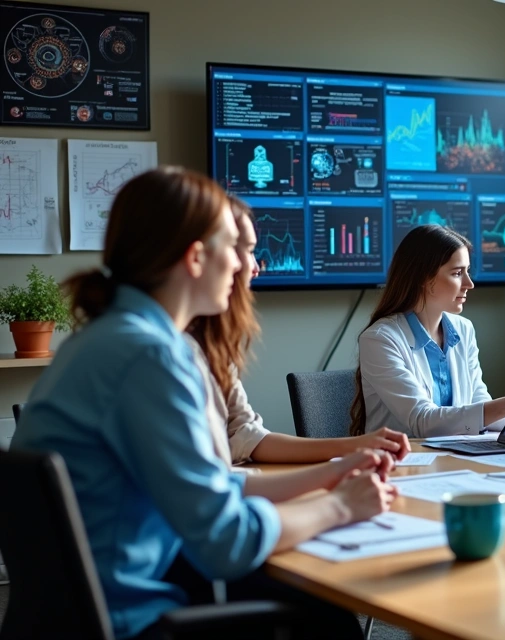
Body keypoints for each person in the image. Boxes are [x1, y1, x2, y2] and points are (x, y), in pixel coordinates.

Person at [12, 167, 396, 640]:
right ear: (195, 257)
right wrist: (339, 507)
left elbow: (211, 487)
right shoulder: (150, 356)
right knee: (326, 619)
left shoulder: (105, 340)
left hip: (77, 616)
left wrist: (331, 474)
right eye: (232, 247)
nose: (242, 266)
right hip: (137, 621)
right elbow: (225, 541)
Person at [187, 197, 410, 465]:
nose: (256, 267)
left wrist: (356, 447)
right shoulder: (164, 352)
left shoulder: (212, 343)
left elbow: (247, 435)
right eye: (244, 251)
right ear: (197, 256)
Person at [350, 224, 505, 438]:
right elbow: (422, 421)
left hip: (452, 458)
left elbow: (477, 404)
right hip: (401, 465)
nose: (469, 284)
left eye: (467, 271)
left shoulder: (463, 329)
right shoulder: (379, 340)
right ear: (423, 278)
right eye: (457, 273)